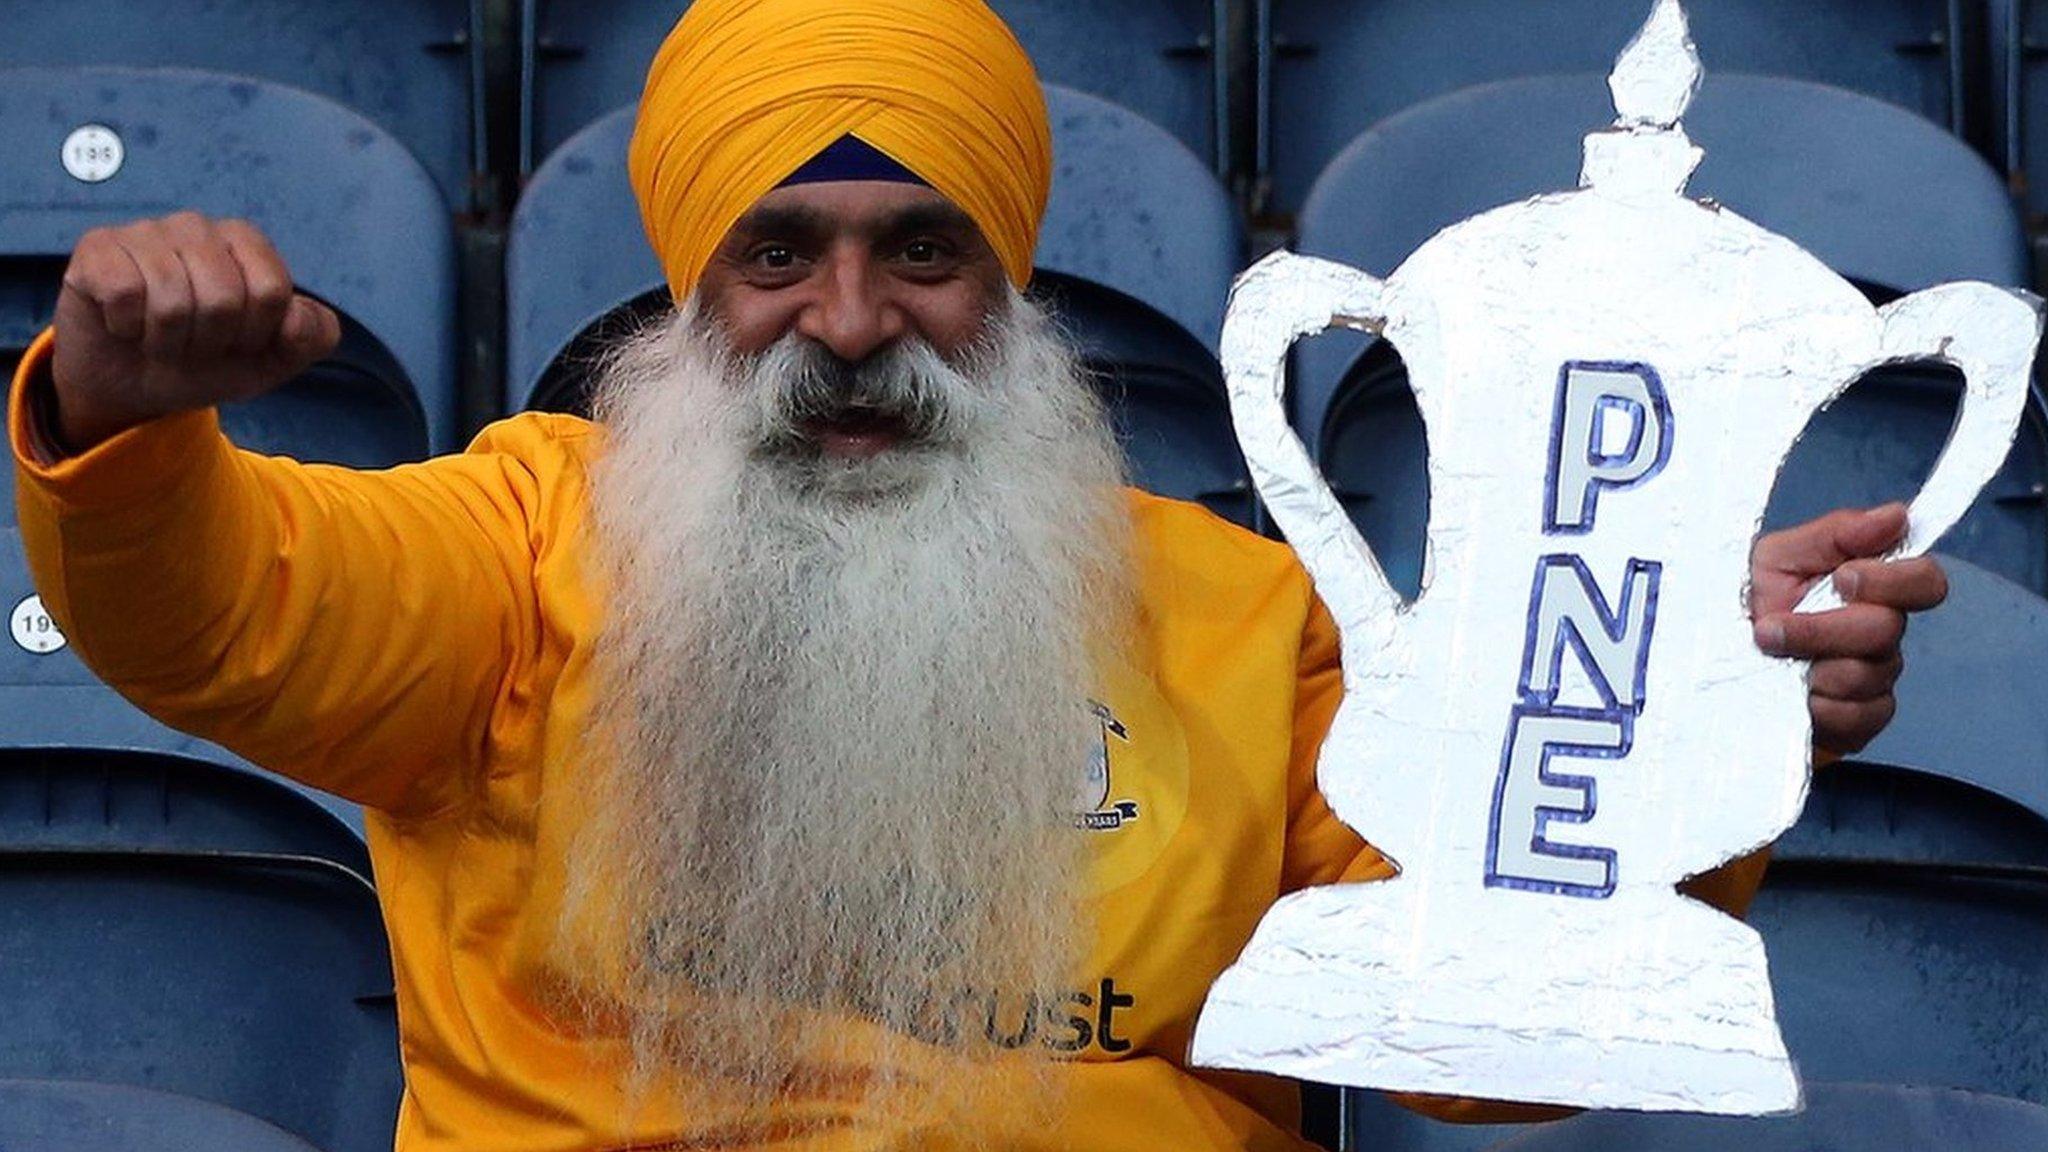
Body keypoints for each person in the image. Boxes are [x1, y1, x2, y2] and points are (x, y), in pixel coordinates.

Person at [9, 0, 1944, 1148]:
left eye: (920, 252)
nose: (852, 323)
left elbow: (1489, 1041)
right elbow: (243, 612)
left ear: (1010, 289)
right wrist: (119, 415)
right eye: (779, 257)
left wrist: (1683, 707)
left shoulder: (1245, 621)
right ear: (691, 294)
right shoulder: (526, 552)